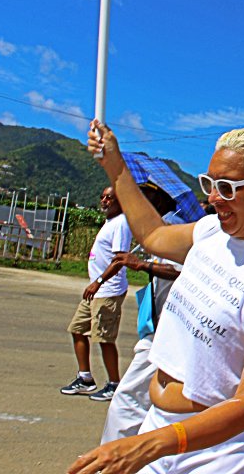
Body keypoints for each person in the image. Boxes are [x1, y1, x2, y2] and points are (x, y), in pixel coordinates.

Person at [69, 121, 244, 474]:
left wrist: (146, 445)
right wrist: (116, 166)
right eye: (210, 183)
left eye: (228, 188)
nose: (214, 198)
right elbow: (154, 234)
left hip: (225, 455)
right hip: (162, 430)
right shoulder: (213, 231)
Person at [101, 184, 186, 442]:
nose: (137, 201)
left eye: (145, 196)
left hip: (167, 330)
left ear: (159, 198)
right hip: (160, 324)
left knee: (128, 399)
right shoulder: (162, 228)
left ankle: (112, 457)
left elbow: (182, 270)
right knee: (144, 400)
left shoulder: (175, 229)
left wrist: (142, 264)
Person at [60, 186, 131, 402]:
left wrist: (99, 281)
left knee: (104, 338)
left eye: (110, 198)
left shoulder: (121, 223)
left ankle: (114, 384)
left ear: (121, 201)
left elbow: (120, 259)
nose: (104, 201)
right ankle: (85, 377)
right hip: (96, 290)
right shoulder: (109, 222)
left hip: (107, 291)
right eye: (102, 197)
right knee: (78, 329)